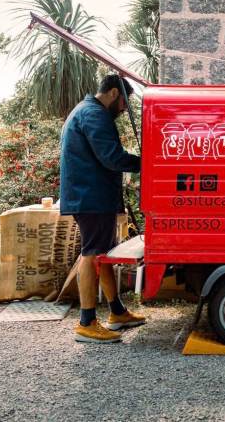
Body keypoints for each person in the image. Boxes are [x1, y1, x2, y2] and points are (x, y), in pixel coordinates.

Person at [60, 74, 146, 343]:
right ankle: (86, 322)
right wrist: (148, 163)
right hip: (91, 197)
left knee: (102, 253)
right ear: (112, 93)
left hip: (91, 196)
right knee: (92, 254)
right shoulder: (95, 115)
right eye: (123, 102)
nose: (123, 109)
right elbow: (111, 158)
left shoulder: (86, 111)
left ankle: (117, 312)